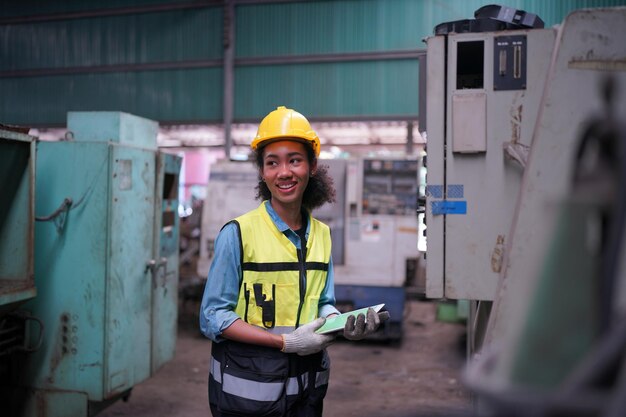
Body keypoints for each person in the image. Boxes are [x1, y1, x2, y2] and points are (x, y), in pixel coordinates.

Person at [199, 106, 389, 417]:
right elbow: (213, 316)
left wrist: (340, 324)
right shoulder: (237, 234)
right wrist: (284, 342)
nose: (284, 172)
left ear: (312, 166)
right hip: (248, 395)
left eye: (295, 160)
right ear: (262, 172)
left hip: (307, 391)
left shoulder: (322, 234)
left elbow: (323, 301)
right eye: (272, 162)